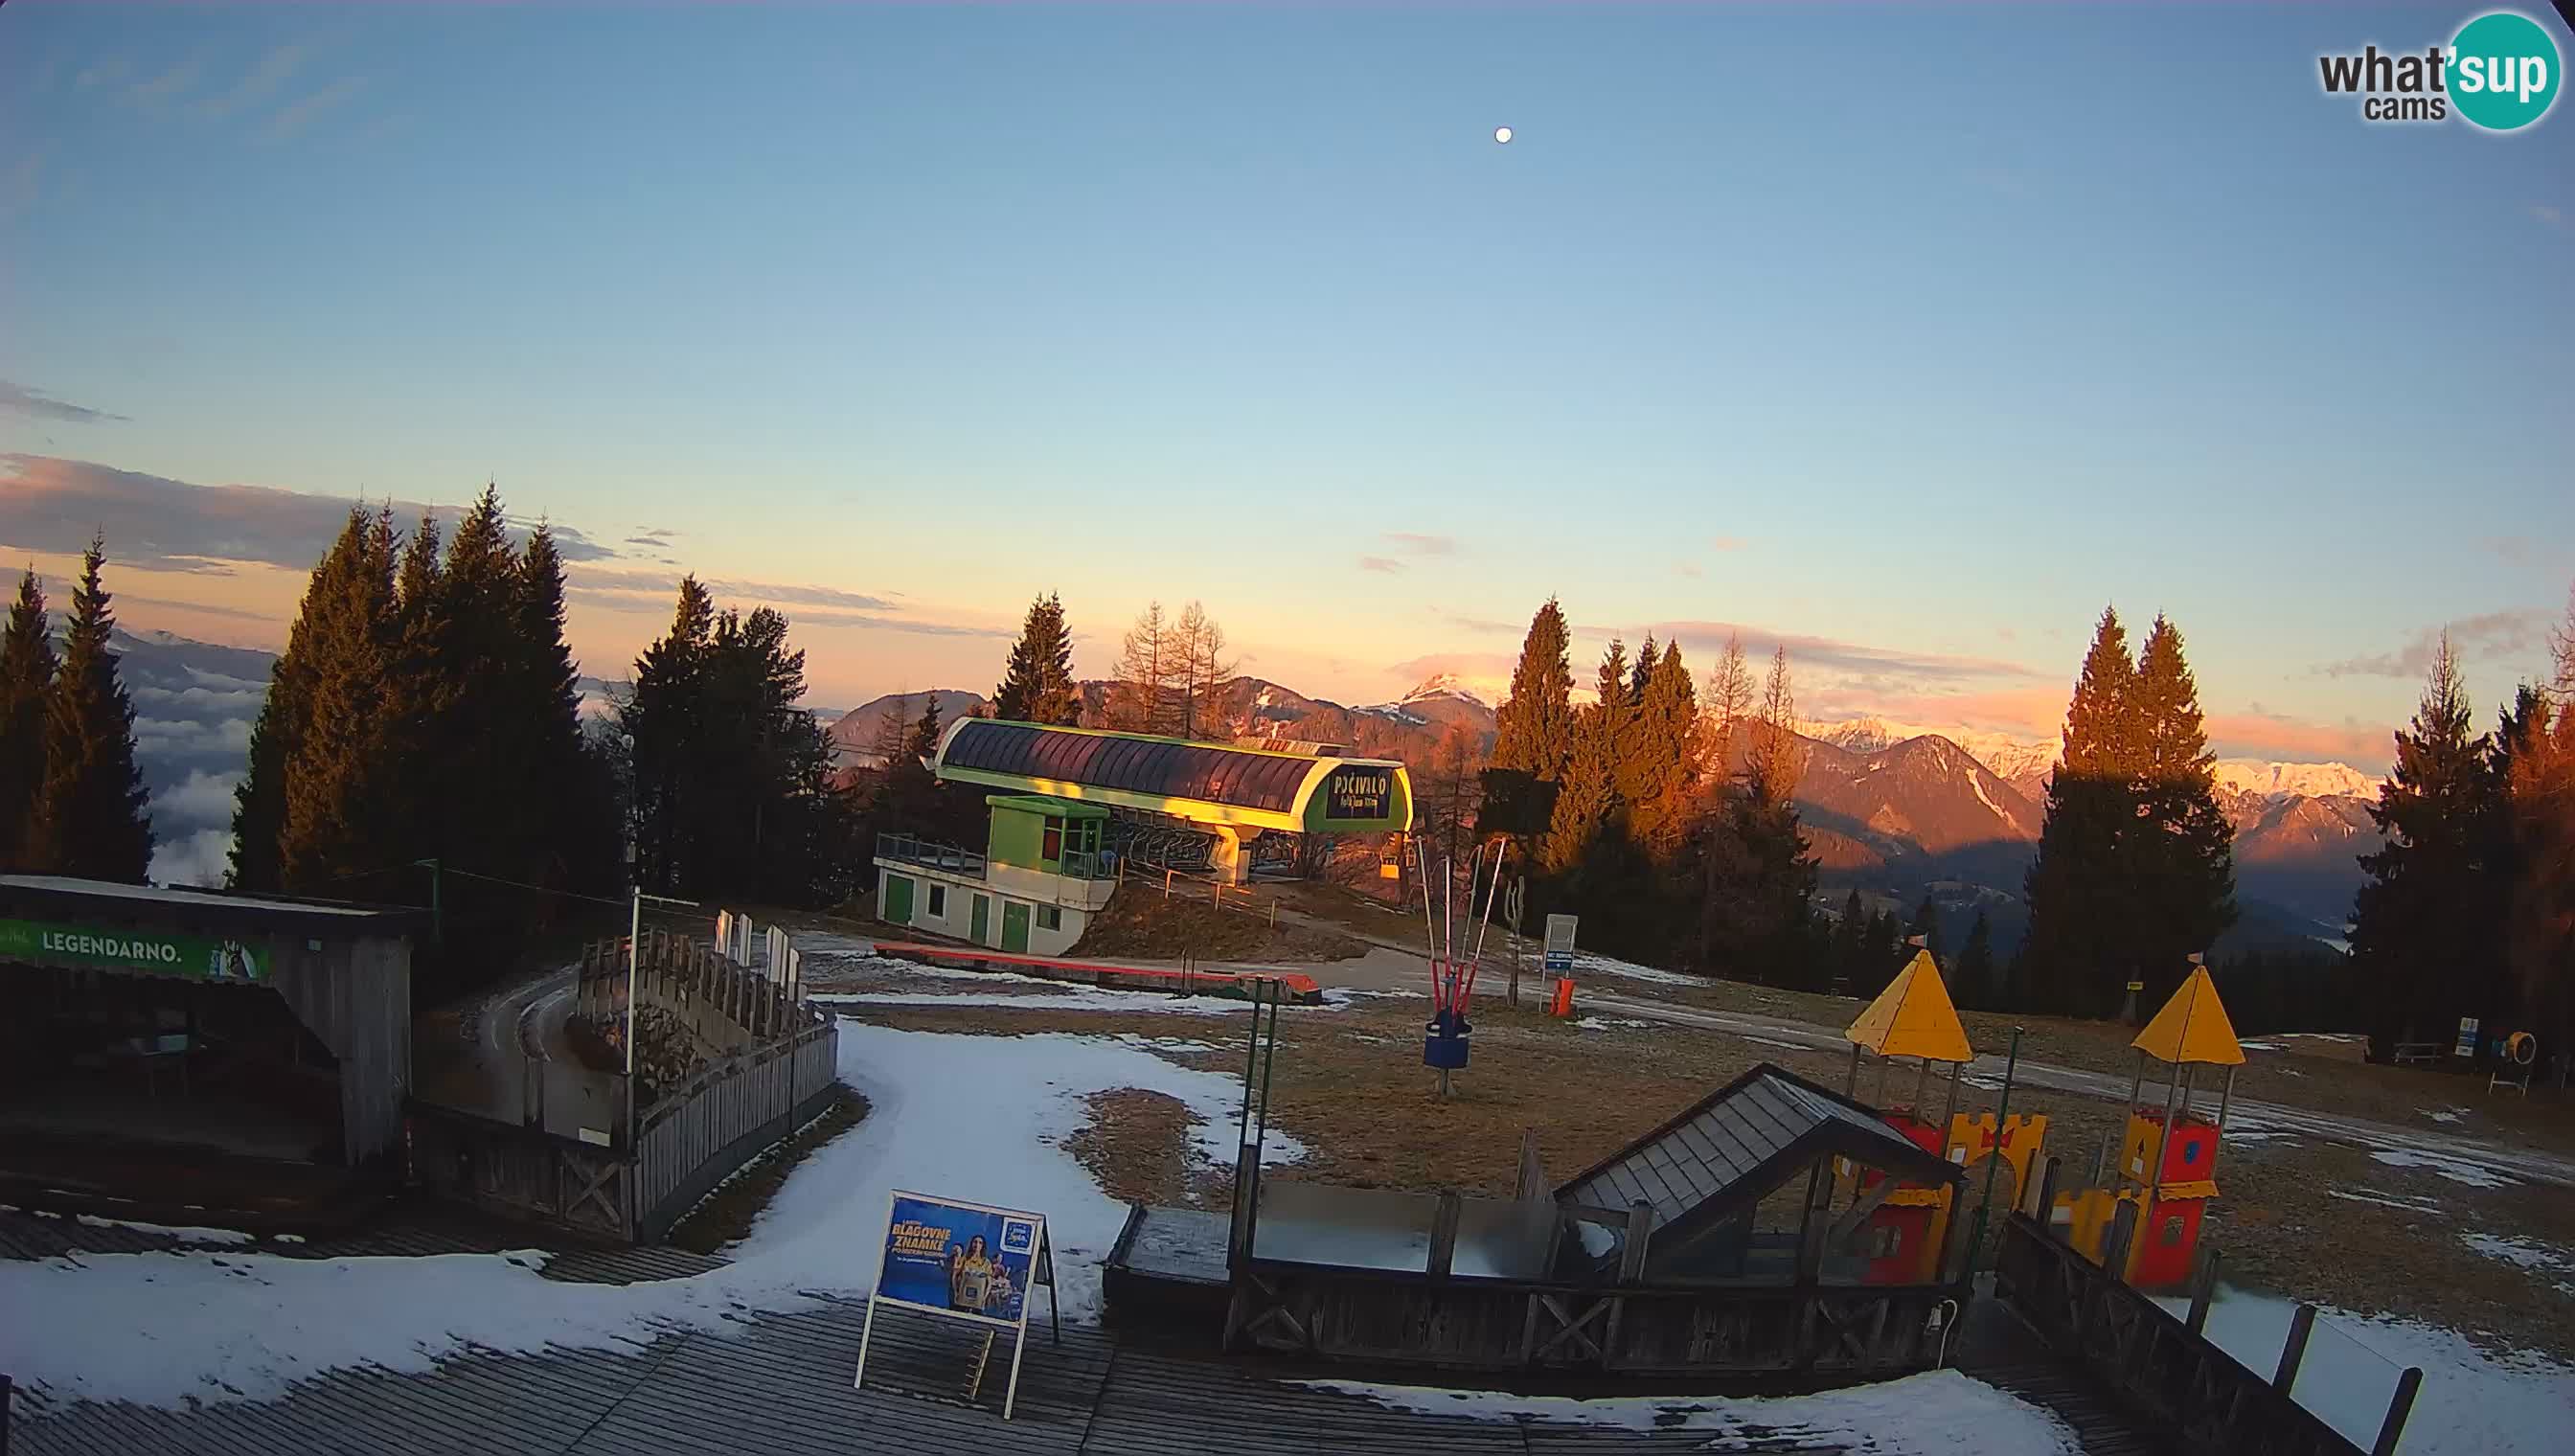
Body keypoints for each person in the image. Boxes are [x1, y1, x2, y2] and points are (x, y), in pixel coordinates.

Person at [950, 1235, 992, 1313]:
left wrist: (984, 1298)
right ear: (971, 1244)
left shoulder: (986, 1263)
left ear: (983, 1246)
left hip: (977, 1302)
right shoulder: (964, 1259)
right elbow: (955, 1276)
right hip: (962, 1300)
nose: (977, 1245)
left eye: (980, 1243)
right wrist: (956, 1292)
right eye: (975, 1242)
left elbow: (989, 1283)